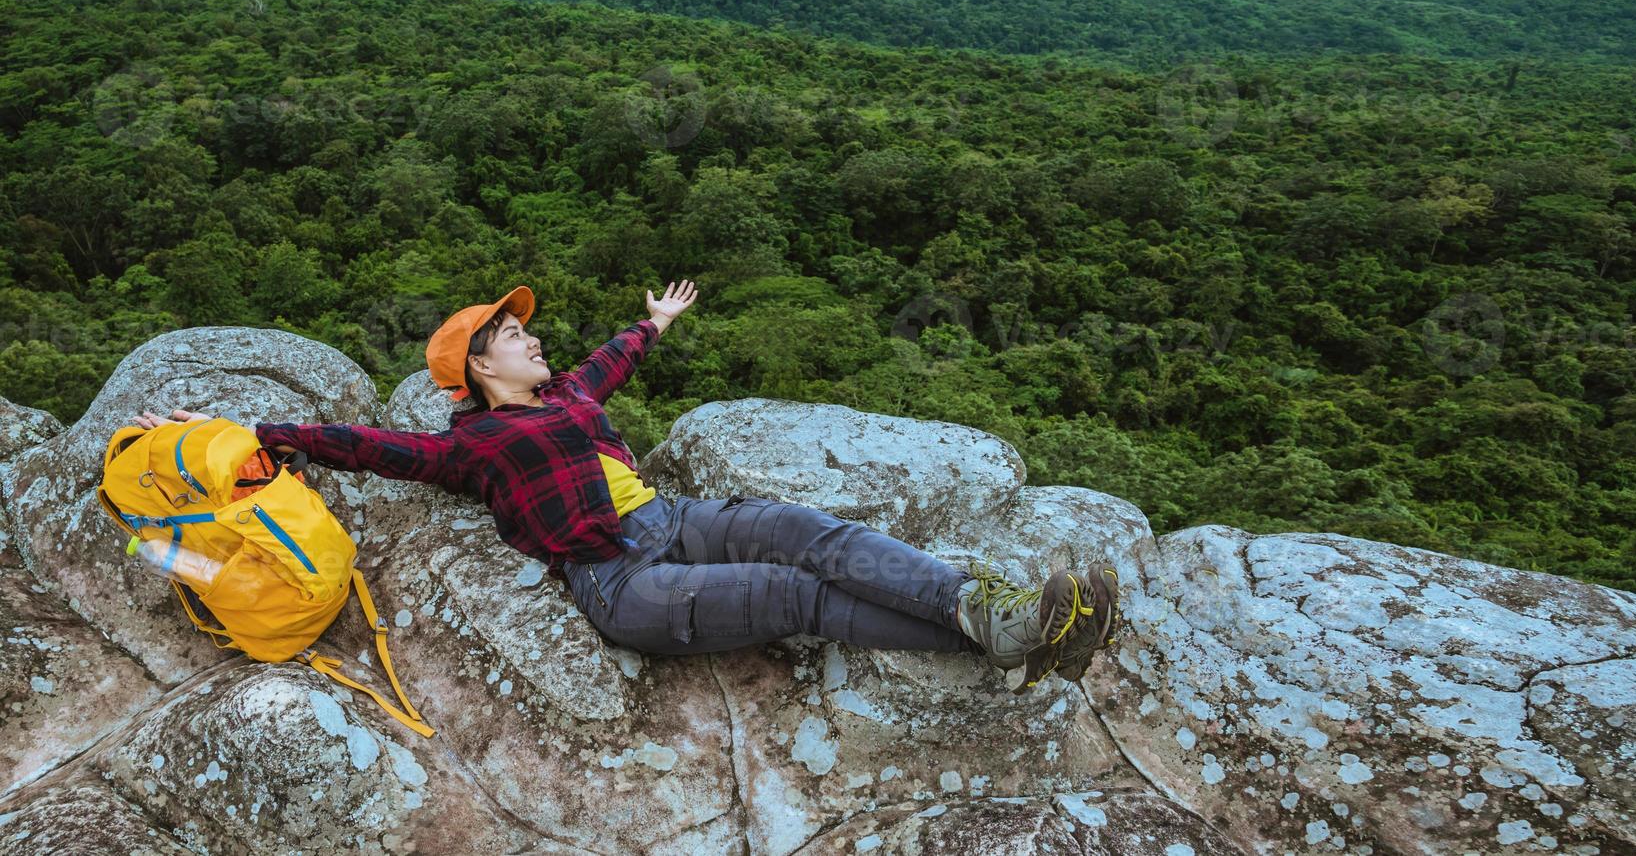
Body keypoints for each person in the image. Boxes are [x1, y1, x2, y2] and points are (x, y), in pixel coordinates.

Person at [131, 281, 1121, 691]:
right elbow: (355, 441)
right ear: (476, 367)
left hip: (675, 522)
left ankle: (986, 611)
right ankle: (1015, 638)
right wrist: (235, 430)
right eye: (514, 334)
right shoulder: (470, 443)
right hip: (619, 582)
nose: (535, 336)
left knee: (812, 529)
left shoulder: (565, 395)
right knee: (796, 595)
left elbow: (612, 361)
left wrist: (655, 322)